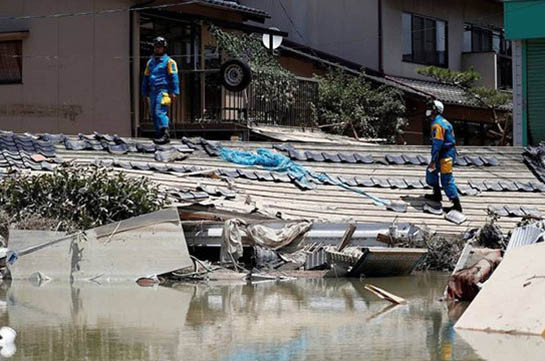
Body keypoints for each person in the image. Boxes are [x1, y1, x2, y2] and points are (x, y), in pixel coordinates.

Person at [424, 100, 463, 213]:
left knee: (446, 179)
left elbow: (437, 144)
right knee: (431, 172)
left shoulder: (437, 124)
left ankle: (456, 205)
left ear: (436, 110)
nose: (428, 110)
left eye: (431, 108)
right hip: (445, 153)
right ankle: (437, 194)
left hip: (445, 155)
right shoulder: (442, 121)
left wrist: (433, 159)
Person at [142, 36, 180, 144]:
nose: (157, 49)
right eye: (155, 47)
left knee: (160, 112)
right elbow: (145, 78)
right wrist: (144, 93)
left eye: (159, 47)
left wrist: (174, 92)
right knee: (153, 113)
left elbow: (174, 77)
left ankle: (165, 134)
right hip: (152, 92)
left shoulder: (170, 62)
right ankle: (158, 134)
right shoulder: (150, 62)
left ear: (164, 48)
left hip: (163, 91)